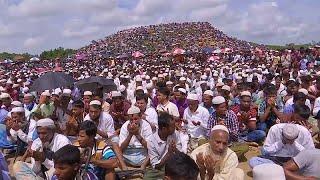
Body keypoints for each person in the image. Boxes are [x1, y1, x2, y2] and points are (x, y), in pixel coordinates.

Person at [249, 123, 315, 168]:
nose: (289, 141)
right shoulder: (275, 129)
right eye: (287, 139)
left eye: (291, 139)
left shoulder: (304, 132)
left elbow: (311, 154)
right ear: (282, 135)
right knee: (253, 161)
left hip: (295, 162)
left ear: (296, 136)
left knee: (311, 167)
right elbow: (264, 151)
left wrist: (295, 144)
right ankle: (286, 172)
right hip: (275, 160)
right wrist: (281, 143)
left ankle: (283, 171)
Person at [145, 112, 183, 179]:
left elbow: (181, 155)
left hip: (174, 165)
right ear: (164, 129)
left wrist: (175, 150)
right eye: (173, 126)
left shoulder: (175, 134)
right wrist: (169, 153)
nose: (175, 128)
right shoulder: (151, 140)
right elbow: (156, 166)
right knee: (148, 177)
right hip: (160, 169)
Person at [119, 106, 152, 170]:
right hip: (127, 155)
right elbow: (121, 148)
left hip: (143, 154)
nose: (133, 122)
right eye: (131, 119)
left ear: (140, 117)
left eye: (136, 119)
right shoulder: (125, 126)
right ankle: (124, 167)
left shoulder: (146, 126)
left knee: (155, 149)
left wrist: (137, 134)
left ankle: (144, 165)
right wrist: (130, 134)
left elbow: (150, 147)